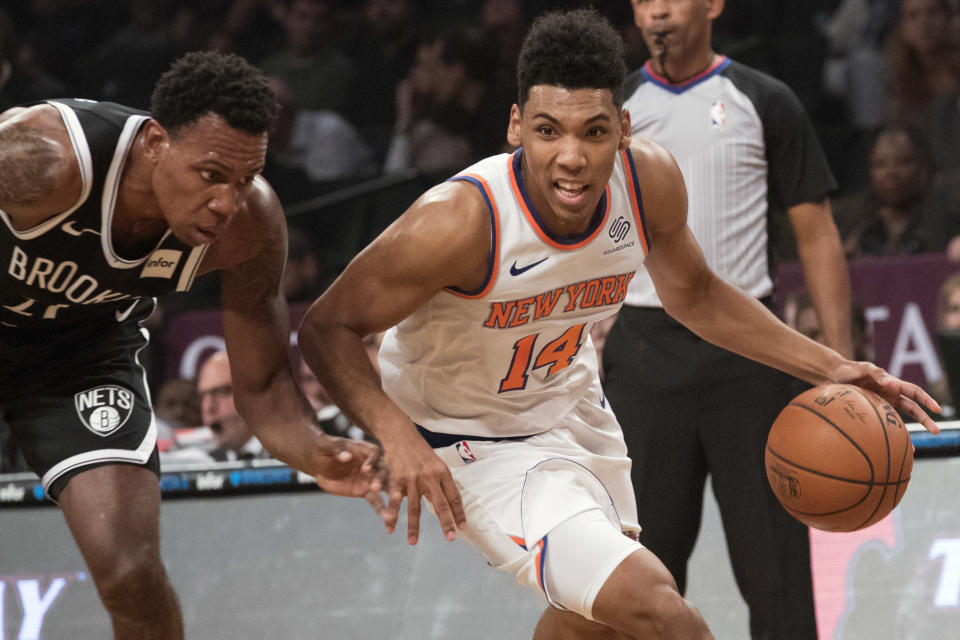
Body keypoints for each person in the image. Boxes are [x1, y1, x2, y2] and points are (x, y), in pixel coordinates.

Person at [298, 8, 940, 640]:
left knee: (597, 622)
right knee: (659, 610)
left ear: (624, 128)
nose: (572, 157)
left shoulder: (648, 180)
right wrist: (395, 434)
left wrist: (835, 364)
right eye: (549, 131)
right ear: (516, 127)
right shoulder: (459, 223)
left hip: (572, 405)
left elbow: (700, 297)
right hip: (471, 439)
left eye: (594, 132)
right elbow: (326, 328)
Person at [0, 50, 381, 639]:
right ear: (155, 142)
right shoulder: (49, 159)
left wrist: (314, 450)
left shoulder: (250, 228)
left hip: (80, 352)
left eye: (244, 178)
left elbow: (260, 384)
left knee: (133, 576)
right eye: (211, 175)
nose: (227, 201)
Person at [601, 2, 855, 638]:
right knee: (641, 573)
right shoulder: (613, 112)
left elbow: (817, 235)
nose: (656, 9)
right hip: (643, 353)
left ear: (712, 4)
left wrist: (840, 366)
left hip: (750, 357)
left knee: (779, 577)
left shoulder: (764, 99)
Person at [196, 351, 270, 462]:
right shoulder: (202, 459)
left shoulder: (292, 453)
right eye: (202, 397)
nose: (208, 407)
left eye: (221, 392)